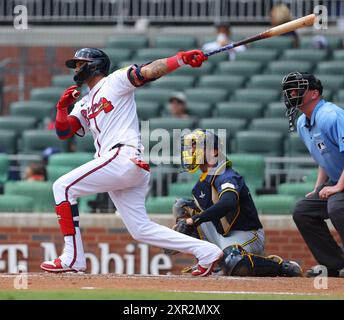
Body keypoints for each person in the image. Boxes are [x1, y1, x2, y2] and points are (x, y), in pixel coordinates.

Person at [39, 47, 223, 277]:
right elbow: (64, 131)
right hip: (124, 166)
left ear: (94, 64)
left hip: (122, 156)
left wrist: (180, 59)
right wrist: (61, 108)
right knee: (140, 229)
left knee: (62, 187)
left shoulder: (114, 81)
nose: (76, 68)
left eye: (80, 63)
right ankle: (207, 251)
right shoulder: (84, 103)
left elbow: (148, 71)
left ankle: (72, 256)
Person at [166, 129, 302, 277]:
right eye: (191, 146)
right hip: (221, 234)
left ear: (214, 152)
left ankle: (282, 267)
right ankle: (208, 261)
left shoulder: (226, 174)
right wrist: (181, 234)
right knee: (182, 205)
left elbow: (228, 202)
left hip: (247, 234)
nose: (191, 150)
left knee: (233, 261)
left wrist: (193, 220)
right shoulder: (200, 185)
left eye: (196, 146)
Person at [282, 72, 344, 278]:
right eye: (289, 90)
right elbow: (323, 157)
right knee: (303, 211)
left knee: (337, 206)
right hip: (338, 180)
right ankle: (335, 265)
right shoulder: (302, 123)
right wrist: (319, 187)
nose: (291, 93)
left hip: (341, 183)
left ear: (314, 93)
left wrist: (337, 187)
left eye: (297, 88)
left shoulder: (331, 116)